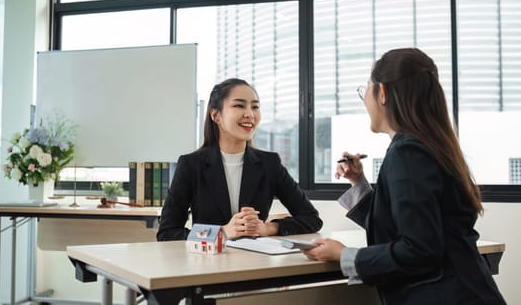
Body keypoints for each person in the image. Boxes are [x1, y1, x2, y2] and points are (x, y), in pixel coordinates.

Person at [302, 48, 506, 305]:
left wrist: (345, 255)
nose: (365, 99)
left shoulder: (407, 151)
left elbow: (419, 249)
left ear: (383, 93)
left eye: (365, 89)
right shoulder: (433, 144)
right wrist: (359, 184)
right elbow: (405, 226)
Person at [157, 78, 322, 241]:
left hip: (255, 261)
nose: (250, 114)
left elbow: (311, 219)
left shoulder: (270, 163)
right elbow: (167, 232)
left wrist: (267, 228)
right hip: (208, 263)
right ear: (216, 115)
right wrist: (221, 232)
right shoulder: (191, 165)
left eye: (255, 107)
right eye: (239, 105)